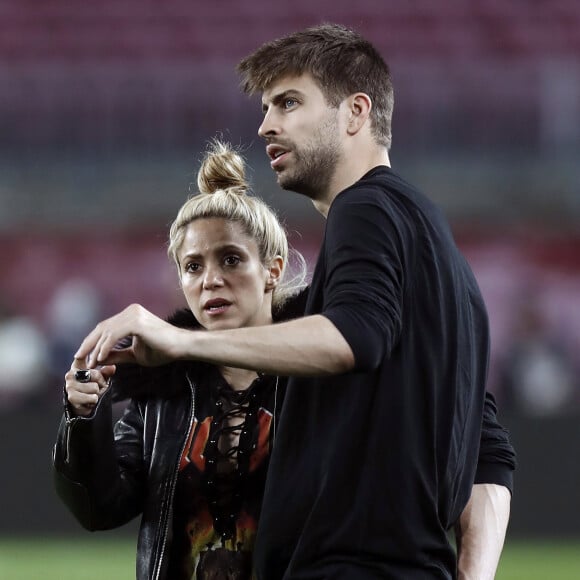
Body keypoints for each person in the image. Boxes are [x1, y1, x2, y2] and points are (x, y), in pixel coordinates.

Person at [74, 24, 516, 579]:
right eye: (265, 108)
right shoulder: (439, 250)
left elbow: (354, 335)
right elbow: (489, 447)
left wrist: (183, 340)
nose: (265, 126)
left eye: (288, 103)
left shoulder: (366, 209)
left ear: (356, 112)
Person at [53, 140, 308, 580]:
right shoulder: (164, 390)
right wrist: (83, 413)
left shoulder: (317, 377)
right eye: (192, 266)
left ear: (273, 269)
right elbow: (100, 508)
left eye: (230, 259)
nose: (211, 279)